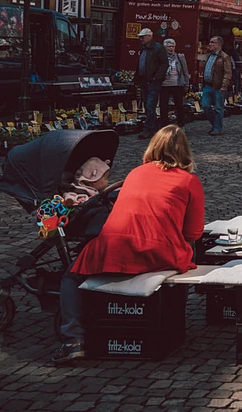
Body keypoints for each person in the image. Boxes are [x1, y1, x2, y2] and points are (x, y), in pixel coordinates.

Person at [54, 125, 204, 363]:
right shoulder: (189, 181)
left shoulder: (134, 174)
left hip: (112, 248)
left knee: (71, 277)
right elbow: (193, 232)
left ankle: (73, 339)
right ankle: (174, 321)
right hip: (159, 253)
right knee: (191, 248)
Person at [134, 28, 168, 139]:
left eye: (142, 37)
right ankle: (153, 128)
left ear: (149, 36)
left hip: (153, 81)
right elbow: (140, 64)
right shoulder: (144, 48)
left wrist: (156, 78)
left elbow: (164, 64)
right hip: (145, 80)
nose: (140, 39)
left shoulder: (158, 48)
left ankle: (147, 129)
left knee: (150, 105)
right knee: (147, 106)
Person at [201, 35, 232, 136]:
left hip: (218, 87)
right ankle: (215, 124)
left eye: (212, 42)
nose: (209, 44)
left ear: (218, 44)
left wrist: (224, 86)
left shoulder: (224, 57)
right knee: (205, 106)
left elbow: (228, 73)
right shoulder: (210, 55)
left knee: (218, 108)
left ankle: (217, 128)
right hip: (207, 86)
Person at [159, 38, 190, 128]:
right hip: (164, 85)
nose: (171, 48)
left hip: (177, 84)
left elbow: (185, 71)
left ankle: (181, 123)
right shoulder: (161, 57)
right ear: (164, 48)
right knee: (164, 106)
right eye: (169, 47)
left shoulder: (180, 57)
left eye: (172, 46)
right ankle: (164, 125)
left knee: (179, 105)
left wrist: (187, 84)